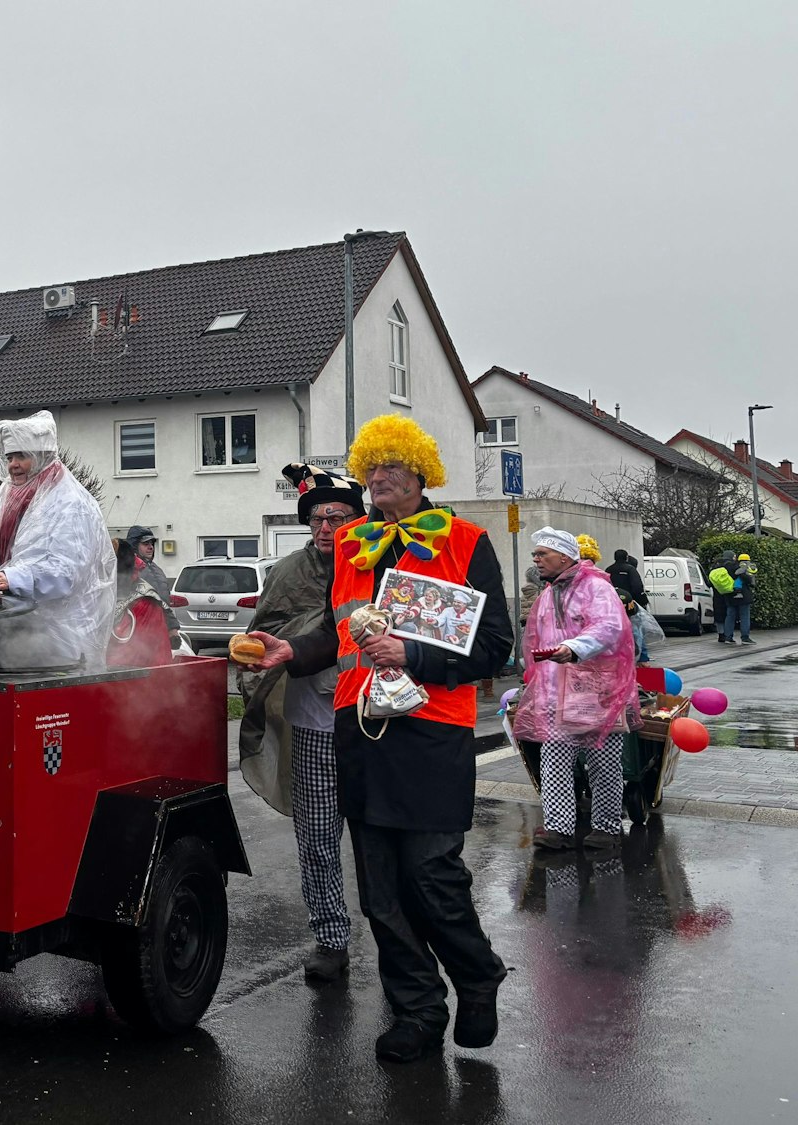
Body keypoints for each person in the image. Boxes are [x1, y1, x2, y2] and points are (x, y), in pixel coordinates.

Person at [248, 414, 512, 1065]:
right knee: (380, 891)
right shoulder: (350, 544)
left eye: (394, 464)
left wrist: (413, 654)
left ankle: (477, 973)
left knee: (432, 875)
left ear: (422, 473)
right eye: (372, 466)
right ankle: (419, 1008)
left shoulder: (466, 540)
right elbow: (338, 633)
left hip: (431, 733)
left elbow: (496, 645)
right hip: (358, 731)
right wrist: (294, 650)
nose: (381, 475)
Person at [238, 463, 364, 983]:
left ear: (358, 520)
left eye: (335, 517)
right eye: (315, 519)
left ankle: (401, 935)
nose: (324, 528)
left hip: (373, 723)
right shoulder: (287, 572)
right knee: (316, 837)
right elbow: (263, 629)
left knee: (382, 838)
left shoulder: (381, 565)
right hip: (313, 722)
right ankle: (331, 937)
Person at [509, 527, 638, 850]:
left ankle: (606, 828)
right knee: (554, 758)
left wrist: (576, 647)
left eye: (543, 554)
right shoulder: (549, 592)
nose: (536, 559)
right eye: (535, 554)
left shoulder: (596, 587)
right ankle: (558, 828)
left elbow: (610, 626)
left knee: (603, 759)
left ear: (565, 556)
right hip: (556, 691)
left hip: (596, 691)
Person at [0, 411, 115, 668]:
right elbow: (7, 557)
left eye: (22, 456)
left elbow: (67, 572)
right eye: (10, 457)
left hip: (64, 637)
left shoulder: (70, 503)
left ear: (42, 457)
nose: (13, 465)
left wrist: (14, 578)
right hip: (22, 631)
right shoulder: (15, 495)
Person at [118, 525, 172, 601]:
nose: (151, 547)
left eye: (152, 543)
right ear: (135, 546)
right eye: (146, 543)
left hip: (161, 612)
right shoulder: (128, 568)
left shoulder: (156, 568)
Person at [728, 552, 755, 644]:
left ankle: (728, 637)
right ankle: (745, 638)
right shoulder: (746, 567)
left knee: (730, 616)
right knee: (744, 616)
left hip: (731, 594)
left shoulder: (730, 567)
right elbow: (749, 580)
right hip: (744, 596)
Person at [711, 551, 737, 643]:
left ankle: (720, 634)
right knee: (729, 614)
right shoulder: (731, 565)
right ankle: (728, 634)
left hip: (717, 592)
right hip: (729, 592)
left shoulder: (715, 565)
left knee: (718, 614)